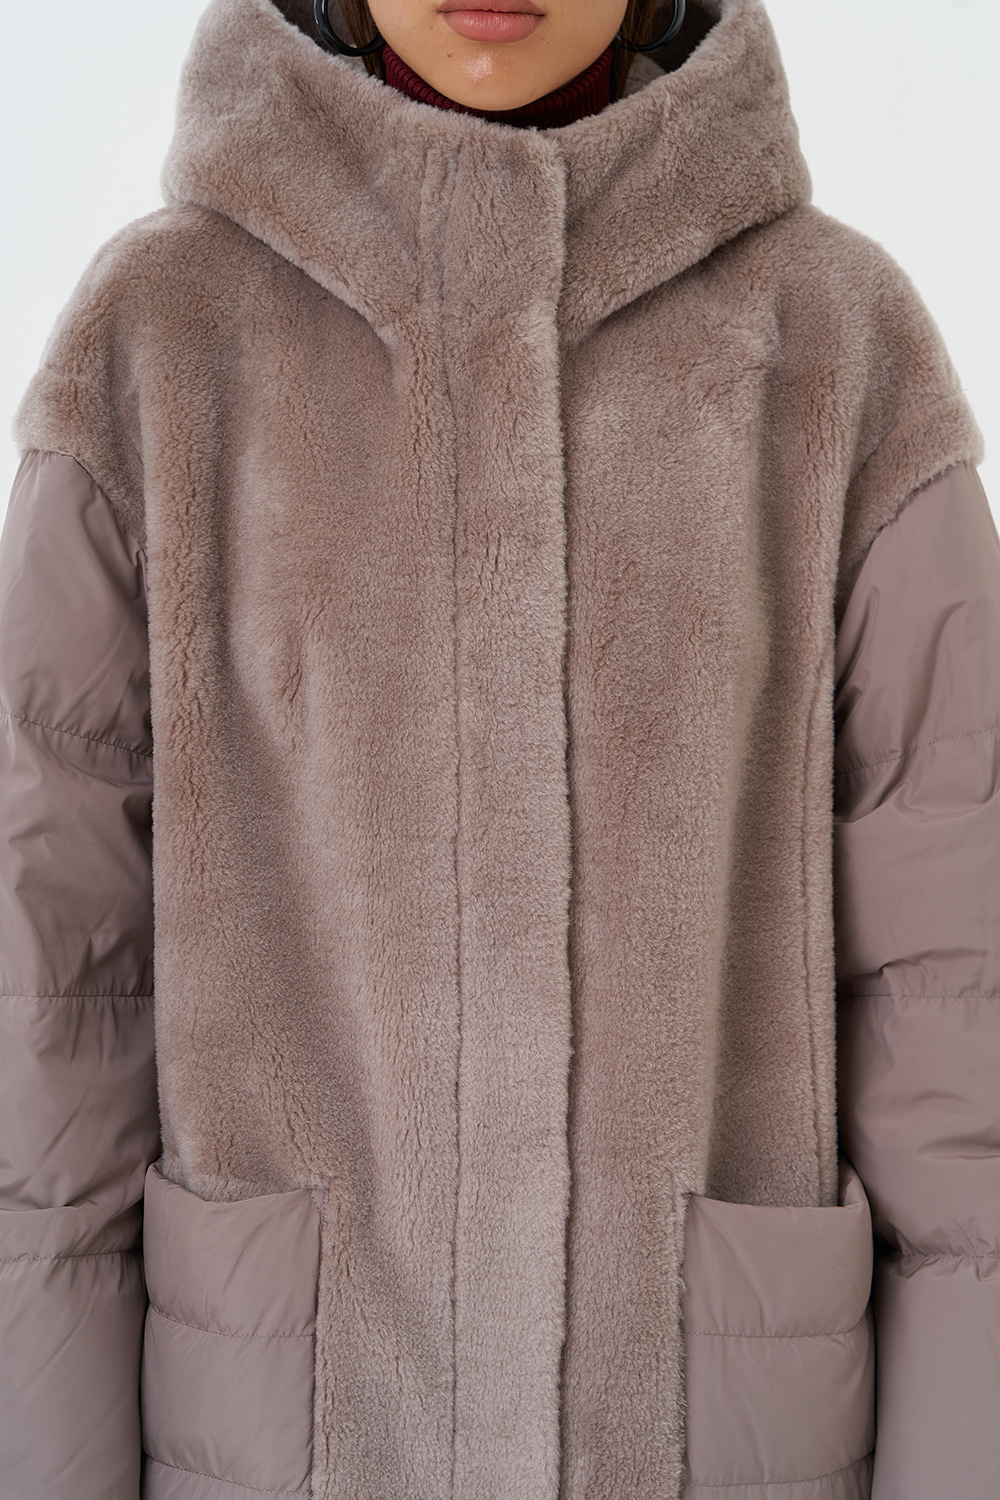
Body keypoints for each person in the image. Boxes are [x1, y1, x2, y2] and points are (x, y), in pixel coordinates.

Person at [0, 0, 996, 1496]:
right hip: (277, 1440)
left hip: (724, 1439)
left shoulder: (841, 354)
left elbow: (963, 1029)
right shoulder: (153, 347)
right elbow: (47, 1014)